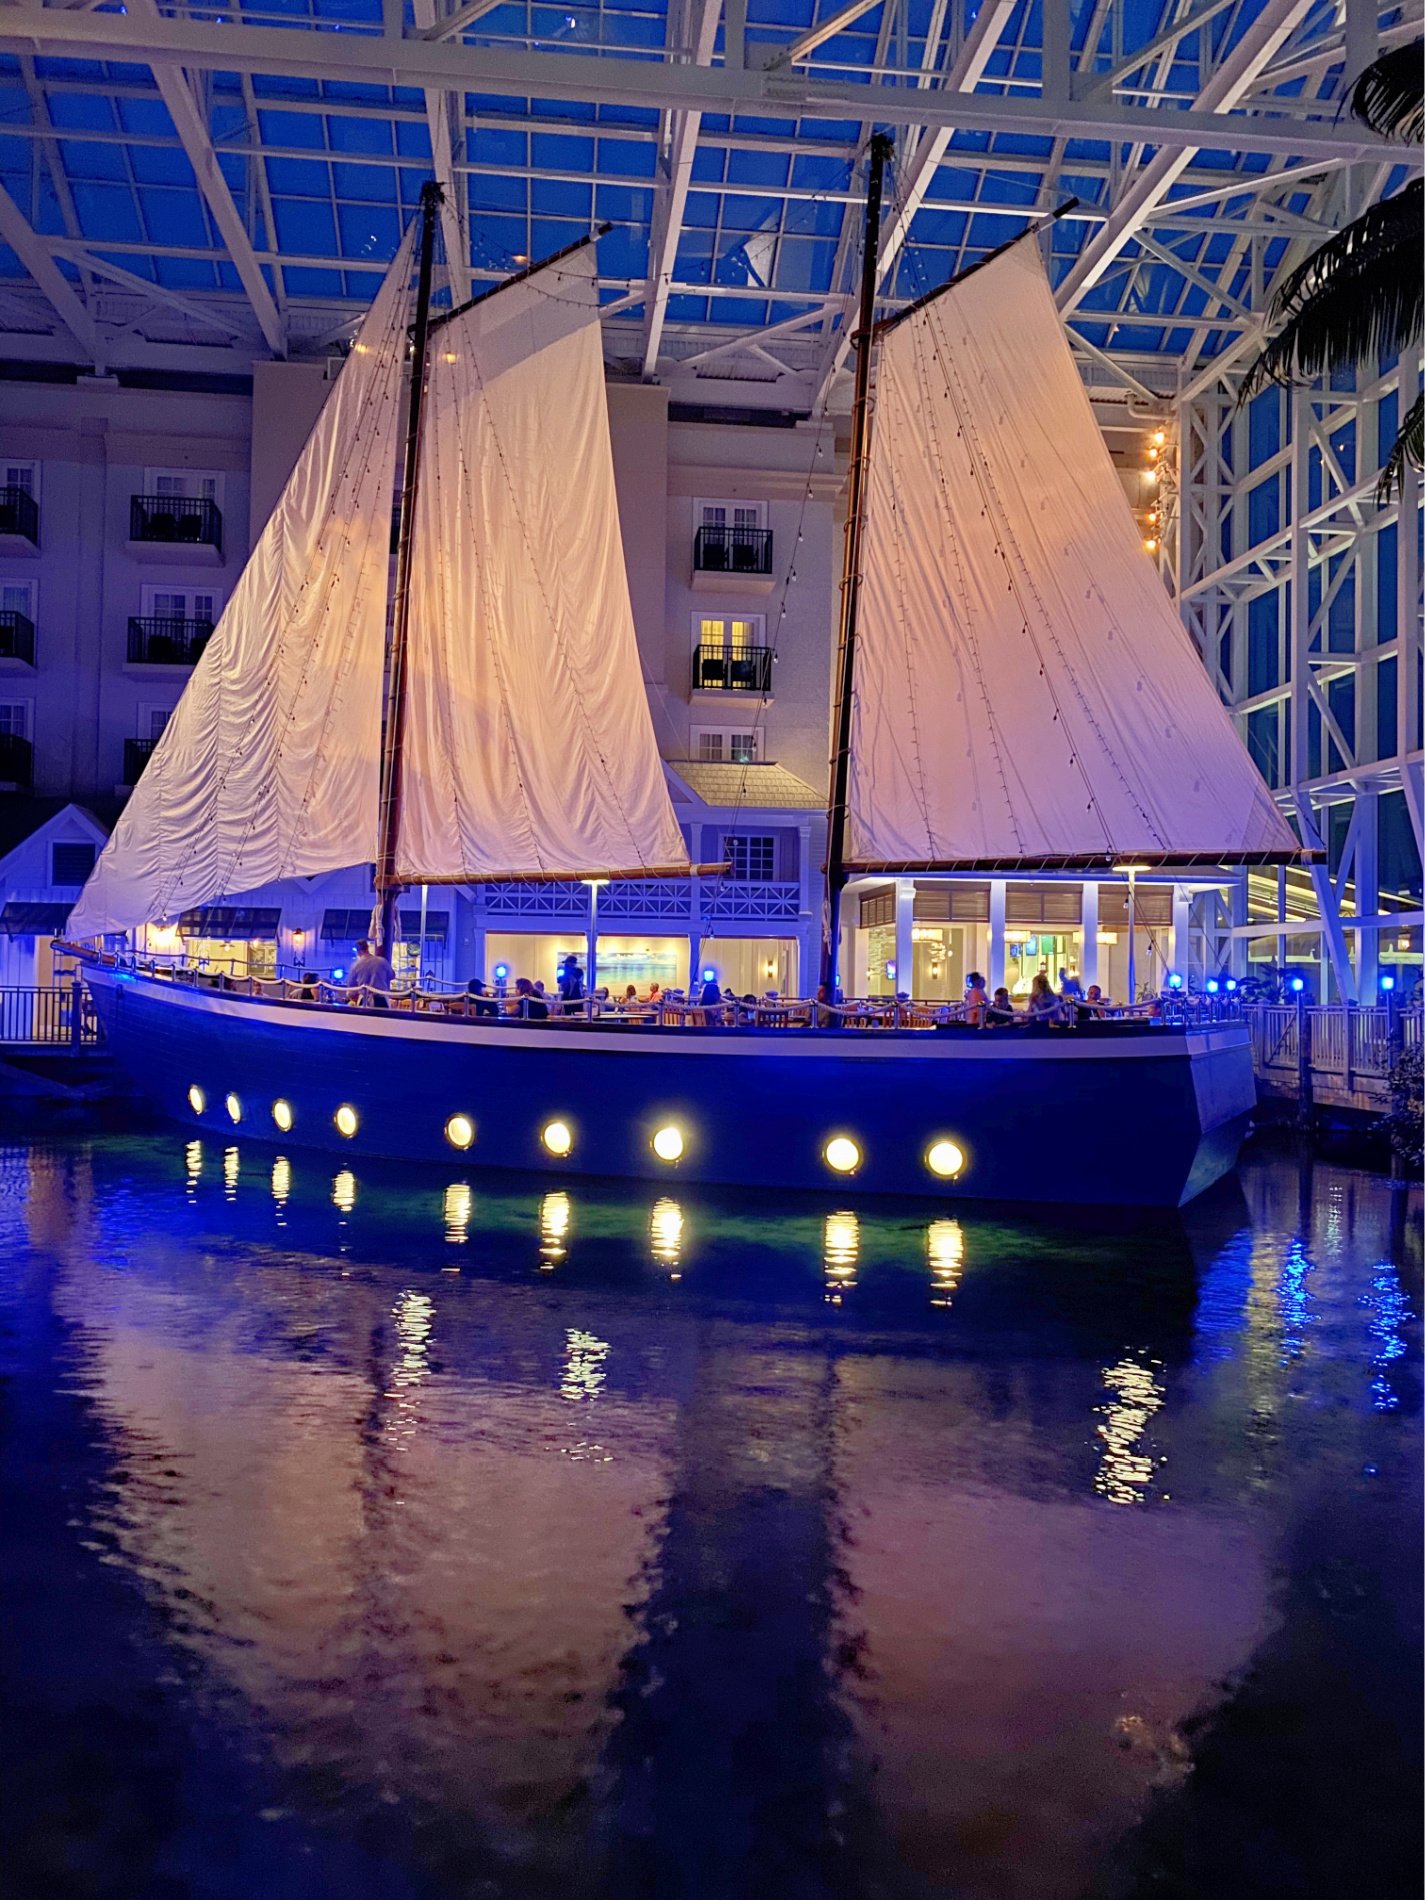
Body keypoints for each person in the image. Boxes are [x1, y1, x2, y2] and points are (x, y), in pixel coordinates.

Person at [349, 938, 393, 1008]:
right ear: (367, 948)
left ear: (357, 952)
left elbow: (351, 989)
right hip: (382, 999)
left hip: (364, 1001)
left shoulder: (355, 965)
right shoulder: (382, 961)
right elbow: (392, 975)